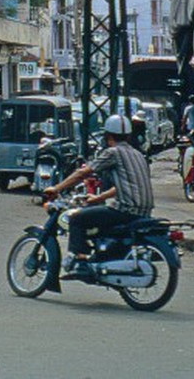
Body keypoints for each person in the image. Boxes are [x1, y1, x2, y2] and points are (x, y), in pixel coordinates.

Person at [43, 114, 154, 274]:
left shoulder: (113, 152)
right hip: (144, 213)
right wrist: (99, 198)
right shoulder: (138, 155)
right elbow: (123, 186)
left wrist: (56, 188)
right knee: (98, 217)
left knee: (77, 218)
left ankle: (80, 262)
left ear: (107, 135)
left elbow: (83, 173)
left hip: (125, 211)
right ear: (128, 135)